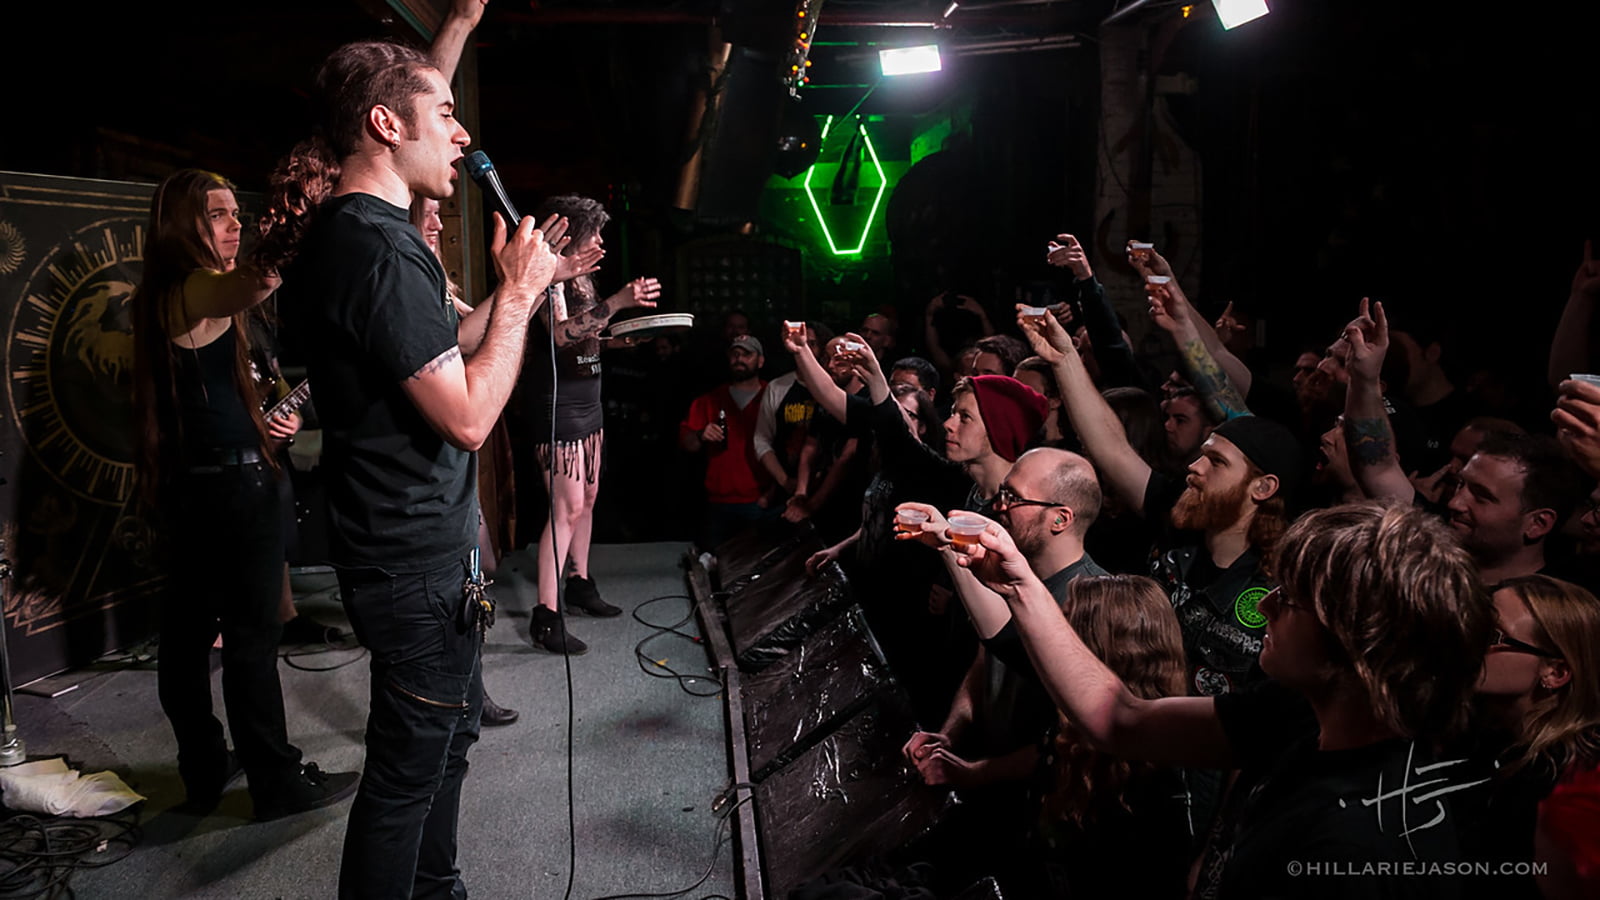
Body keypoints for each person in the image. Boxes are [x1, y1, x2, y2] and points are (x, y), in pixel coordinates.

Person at [263, 31, 558, 899]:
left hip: (424, 548)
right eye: (447, 113)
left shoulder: (370, 236)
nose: (463, 136)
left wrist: (508, 299)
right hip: (409, 557)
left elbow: (427, 350)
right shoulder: (378, 248)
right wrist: (520, 300)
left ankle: (438, 889)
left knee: (452, 735)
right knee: (405, 772)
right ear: (387, 124)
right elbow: (467, 416)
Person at [953, 501, 1491, 899]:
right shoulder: (1297, 711)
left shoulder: (1360, 841)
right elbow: (1119, 719)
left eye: (1293, 598)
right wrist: (1020, 584)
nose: (1268, 606)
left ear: (1355, 643)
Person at [131, 168, 358, 820]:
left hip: (203, 482)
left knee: (188, 636)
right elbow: (257, 277)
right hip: (232, 489)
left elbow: (222, 400)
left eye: (238, 212)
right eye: (221, 214)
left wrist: (270, 421)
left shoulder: (174, 297)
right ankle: (276, 783)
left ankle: (204, 768)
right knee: (249, 640)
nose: (236, 225)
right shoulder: (191, 288)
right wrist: (297, 222)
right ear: (185, 225)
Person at [520, 193, 660, 654]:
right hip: (558, 407)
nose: (600, 241)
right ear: (571, 235)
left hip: (589, 402)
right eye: (593, 232)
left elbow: (587, 333)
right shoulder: (548, 279)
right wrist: (619, 302)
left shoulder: (582, 280)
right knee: (565, 508)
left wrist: (622, 339)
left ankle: (579, 582)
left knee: (588, 499)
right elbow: (560, 335)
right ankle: (546, 613)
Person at [680, 335, 770, 551]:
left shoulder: (773, 395)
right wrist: (701, 433)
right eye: (735, 354)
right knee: (714, 566)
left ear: (760, 361)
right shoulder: (709, 400)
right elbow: (687, 443)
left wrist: (772, 494)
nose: (739, 359)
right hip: (718, 502)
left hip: (760, 500)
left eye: (747, 354)